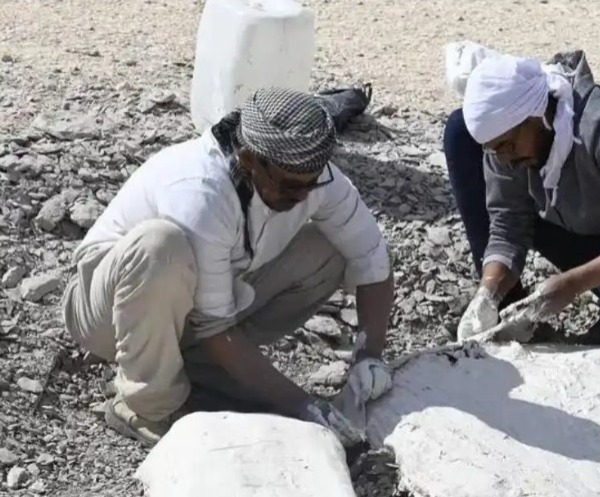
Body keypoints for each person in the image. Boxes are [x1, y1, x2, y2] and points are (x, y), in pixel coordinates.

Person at [60, 87, 395, 448]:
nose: (301, 196)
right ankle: (147, 405)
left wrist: (369, 358)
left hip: (193, 308)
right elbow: (215, 327)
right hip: (107, 312)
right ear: (250, 160)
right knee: (160, 246)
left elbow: (372, 259)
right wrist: (303, 405)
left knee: (329, 248)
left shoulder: (311, 177)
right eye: (288, 187)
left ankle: (202, 370)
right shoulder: (200, 192)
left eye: (310, 185)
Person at [444, 51, 600, 345]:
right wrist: (488, 293)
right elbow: (507, 225)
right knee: (460, 132)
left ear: (537, 114)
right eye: (495, 150)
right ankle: (507, 311)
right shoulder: (507, 142)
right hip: (565, 218)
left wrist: (572, 284)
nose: (504, 159)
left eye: (508, 145)